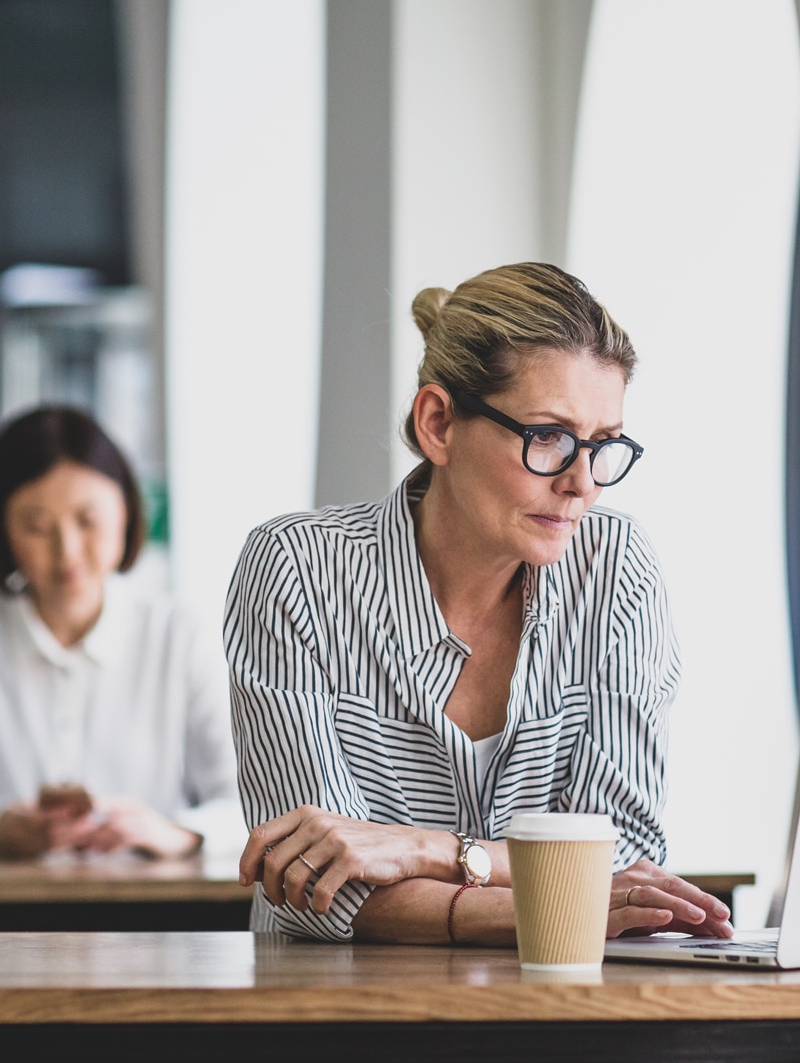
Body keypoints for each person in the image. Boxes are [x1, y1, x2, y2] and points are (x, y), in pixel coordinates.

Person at [225, 262, 732, 944]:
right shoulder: (295, 570)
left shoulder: (615, 569)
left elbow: (626, 855)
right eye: (549, 437)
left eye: (604, 446)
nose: (582, 484)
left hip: (562, 1016)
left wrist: (424, 850)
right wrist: (542, 901)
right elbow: (309, 881)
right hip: (339, 1021)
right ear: (438, 423)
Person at [0, 406, 238, 859]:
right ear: (0, 529)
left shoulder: (178, 634)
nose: (66, 551)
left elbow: (249, 804)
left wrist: (173, 832)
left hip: (152, 916)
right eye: (36, 526)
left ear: (126, 512)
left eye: (88, 521)